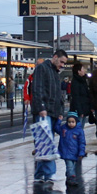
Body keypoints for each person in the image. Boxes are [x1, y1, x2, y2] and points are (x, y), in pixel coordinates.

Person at [31, 49, 68, 182]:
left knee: (43, 142)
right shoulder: (43, 69)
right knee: (47, 142)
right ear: (55, 57)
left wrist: (60, 112)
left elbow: (58, 94)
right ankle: (50, 172)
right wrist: (41, 107)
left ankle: (40, 174)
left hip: (51, 111)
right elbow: (37, 88)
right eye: (62, 62)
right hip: (45, 110)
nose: (62, 65)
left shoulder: (53, 71)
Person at [57, 111, 86, 186]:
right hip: (66, 152)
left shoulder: (79, 131)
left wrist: (81, 152)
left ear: (76, 121)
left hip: (75, 152)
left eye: (73, 122)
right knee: (70, 166)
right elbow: (57, 128)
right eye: (69, 122)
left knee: (72, 166)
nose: (71, 124)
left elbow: (82, 143)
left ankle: (69, 175)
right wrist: (59, 121)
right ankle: (72, 178)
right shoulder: (64, 128)